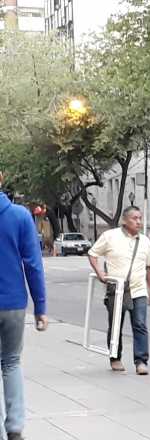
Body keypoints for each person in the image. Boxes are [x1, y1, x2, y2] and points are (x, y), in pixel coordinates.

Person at [0, 172, 48, 440]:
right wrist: (40, 306)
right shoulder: (20, 216)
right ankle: (15, 428)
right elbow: (33, 264)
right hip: (13, 303)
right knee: (11, 362)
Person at [87, 207, 150, 374]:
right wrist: (100, 273)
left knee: (140, 324)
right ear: (125, 220)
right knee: (115, 324)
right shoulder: (110, 236)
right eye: (134, 218)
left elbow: (149, 267)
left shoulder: (145, 241)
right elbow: (92, 253)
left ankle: (141, 361)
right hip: (117, 290)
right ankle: (115, 357)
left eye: (140, 218)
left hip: (138, 289)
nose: (138, 222)